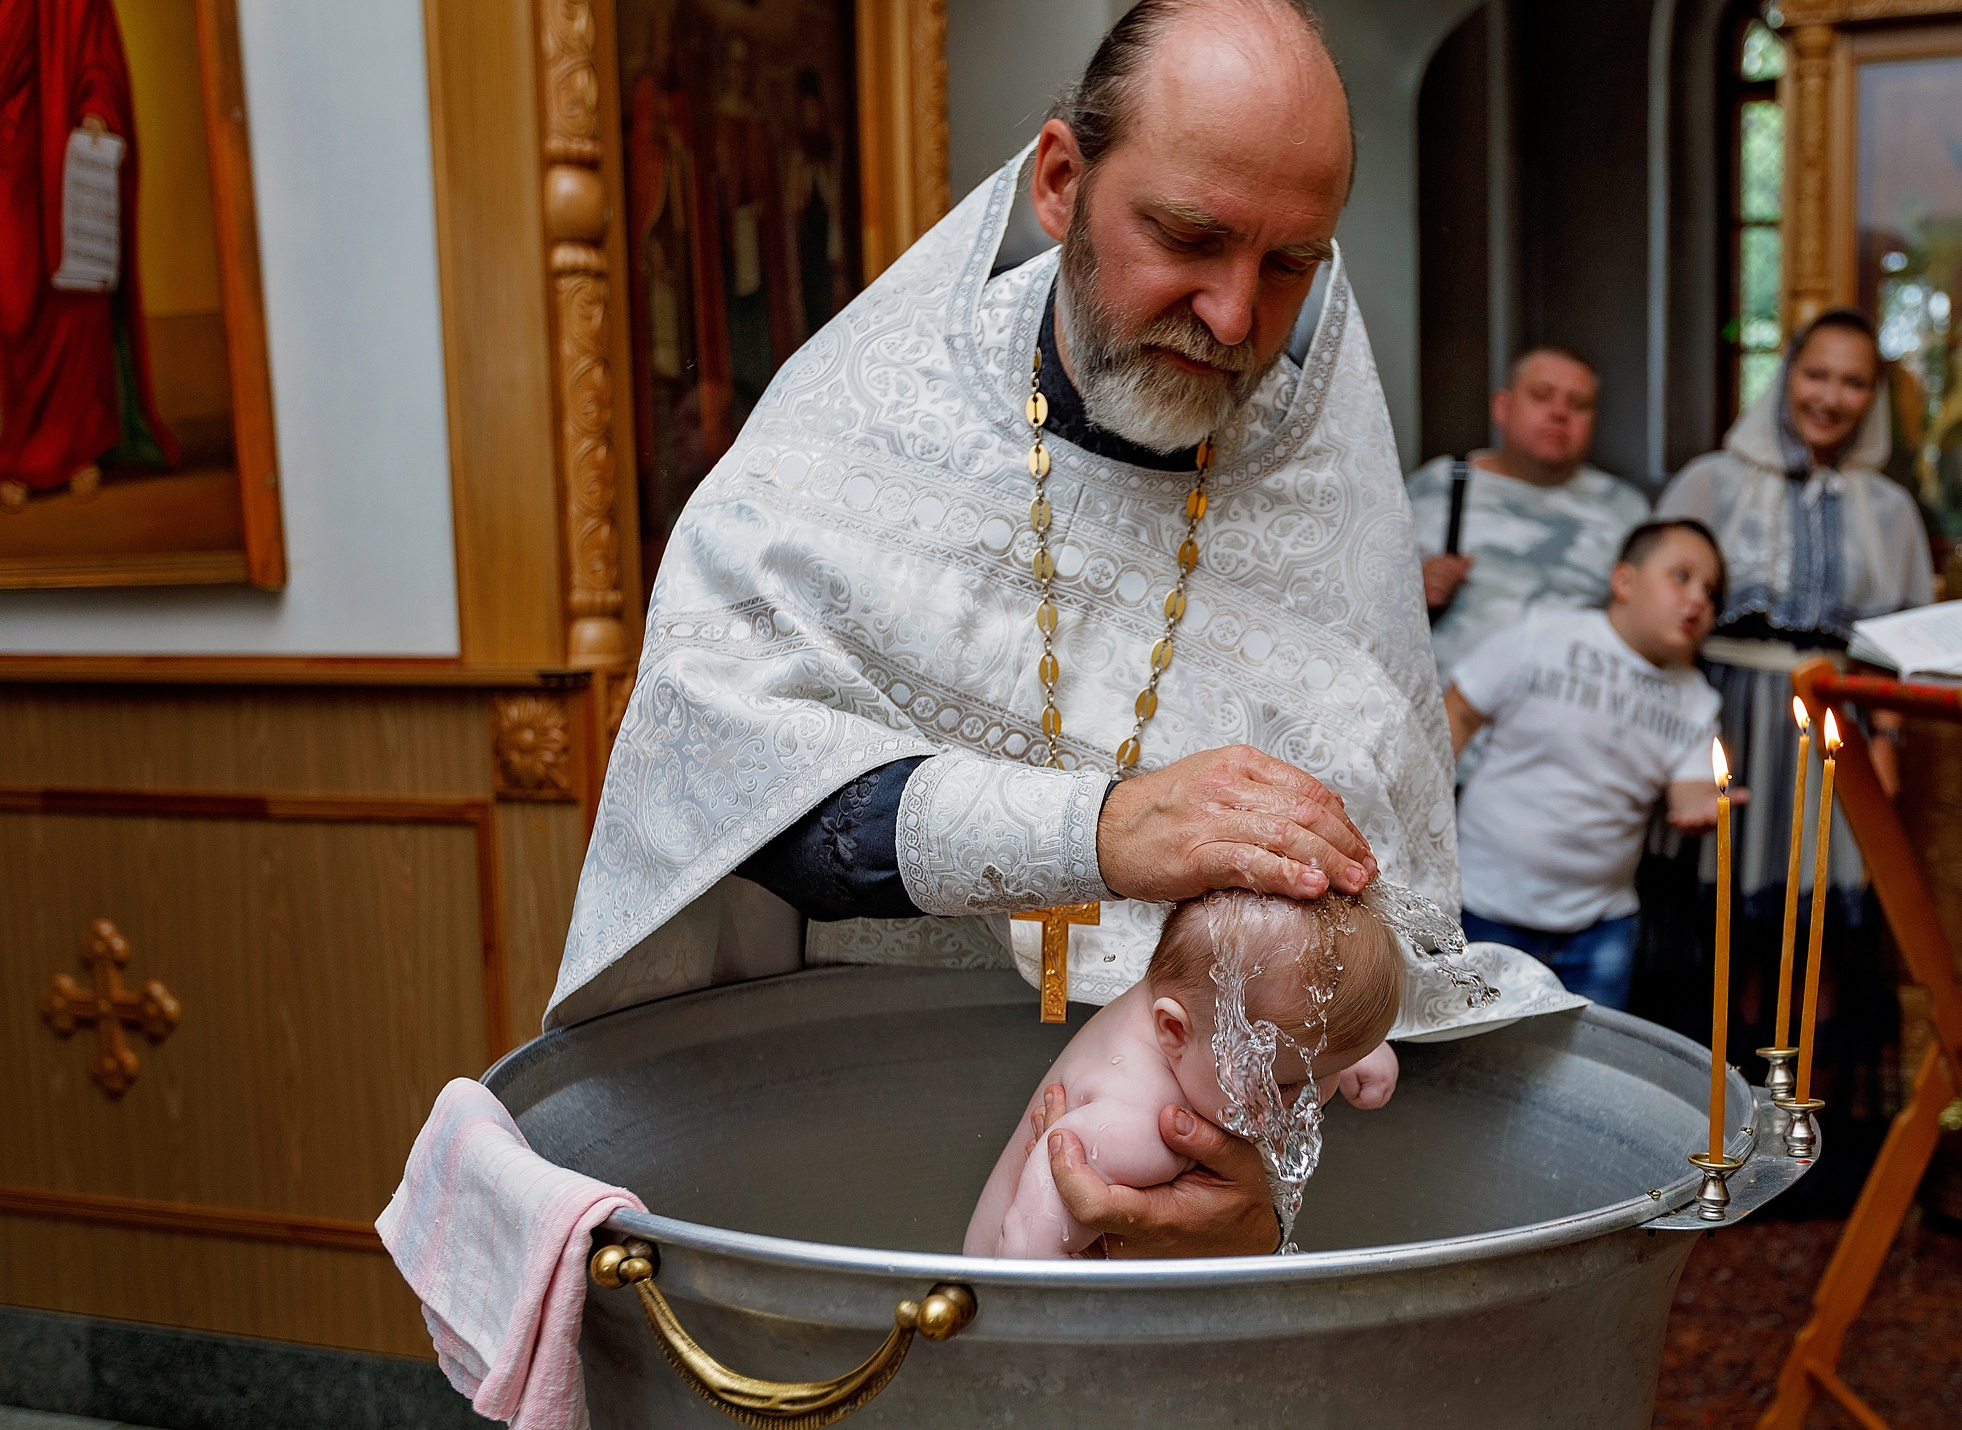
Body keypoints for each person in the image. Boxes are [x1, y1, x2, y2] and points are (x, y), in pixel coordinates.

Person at [550, 0, 1573, 1262]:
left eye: (1292, 262)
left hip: (1194, 1184)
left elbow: (1374, 951)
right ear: (1059, 182)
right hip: (845, 1140)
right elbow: (721, 785)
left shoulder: (1322, 494)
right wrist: (1092, 832)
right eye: (1188, 236)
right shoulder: (867, 426)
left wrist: (1248, 1194)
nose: (1236, 317)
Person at [1644, 307, 1932, 1209]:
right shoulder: (1712, 480)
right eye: (1818, 375)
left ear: (1871, 400)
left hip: (1829, 729)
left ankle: (1805, 1146)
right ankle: (1707, 1142)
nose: (1831, 398)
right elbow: (1658, 614)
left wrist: (1884, 743)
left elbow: (1896, 640)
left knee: (1821, 930)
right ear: (1787, 376)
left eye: (1853, 383)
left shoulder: (1887, 508)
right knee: (1724, 926)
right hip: (1724, 718)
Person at [965, 889, 1401, 1258]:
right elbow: (1024, 1248)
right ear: (1173, 1029)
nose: (1307, 1100)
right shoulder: (1133, 1131)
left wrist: (1348, 1050)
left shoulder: (1194, 1005)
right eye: (1281, 1082)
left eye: (1323, 1071)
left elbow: (1288, 1027)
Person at [1442, 519, 1727, 1011]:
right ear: (1624, 582)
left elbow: (1693, 789)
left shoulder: (1696, 699)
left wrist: (1704, 809)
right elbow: (1460, 711)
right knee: (1469, 1060)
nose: (1699, 599)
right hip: (1483, 905)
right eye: (1681, 577)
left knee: (1586, 1071)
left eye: (1712, 591)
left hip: (1600, 927)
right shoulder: (1546, 636)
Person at [0, 0, 180, 511]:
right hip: (9, 159)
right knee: (14, 306)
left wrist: (97, 106)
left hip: (62, 146)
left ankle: (81, 449)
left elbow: (98, 52)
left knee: (75, 298)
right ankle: (22, 451)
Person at [1406, 348, 1651, 679]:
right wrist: (1411, 589)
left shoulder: (1626, 508)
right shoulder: (1438, 484)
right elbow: (1357, 605)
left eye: (1577, 404)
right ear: (1502, 408)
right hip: (1442, 715)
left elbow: (1650, 630)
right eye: (1541, 396)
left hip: (1571, 717)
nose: (1559, 414)